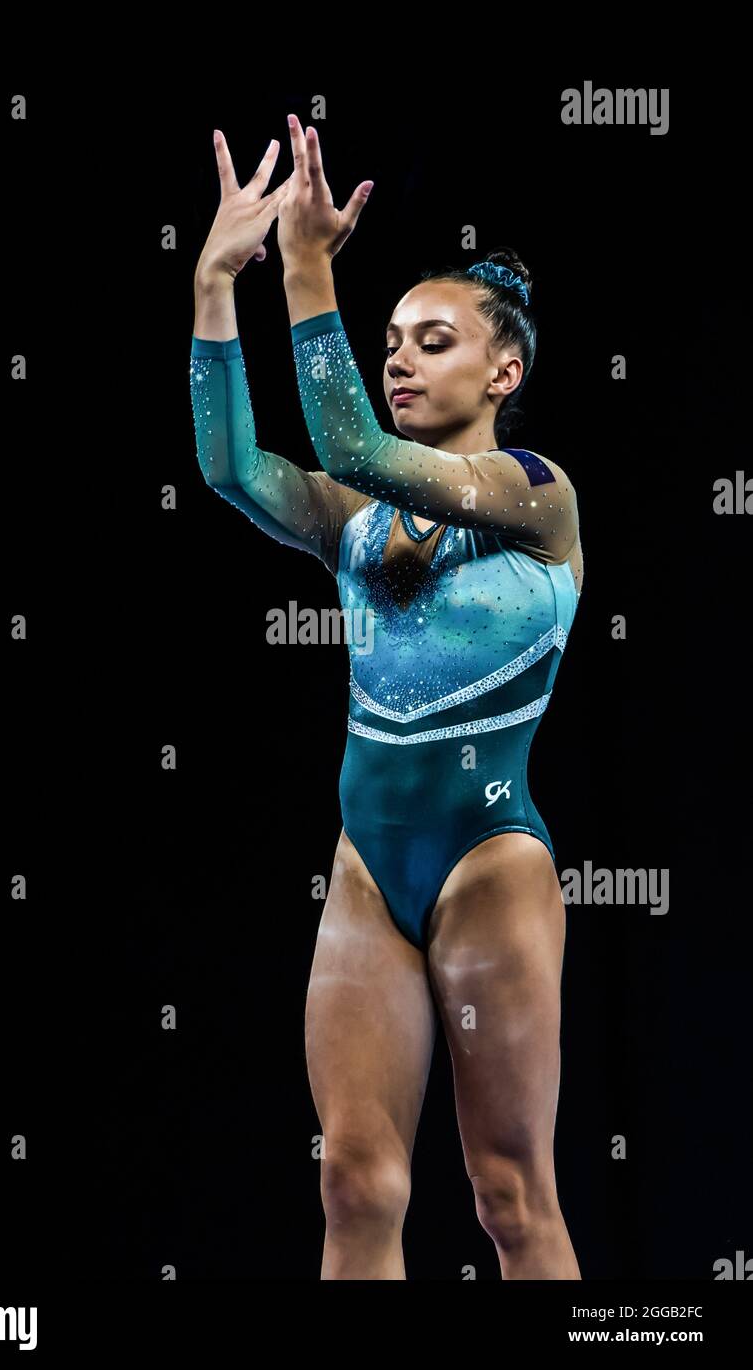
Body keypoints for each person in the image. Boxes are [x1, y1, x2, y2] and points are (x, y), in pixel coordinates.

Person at [190, 115, 583, 1280]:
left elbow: (350, 441)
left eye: (434, 341)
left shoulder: (537, 495)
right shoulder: (356, 524)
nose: (401, 357)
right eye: (391, 336)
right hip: (368, 866)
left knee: (509, 1195)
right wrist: (218, 286)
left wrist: (305, 266)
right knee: (355, 1183)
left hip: (488, 863)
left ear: (502, 372)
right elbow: (230, 468)